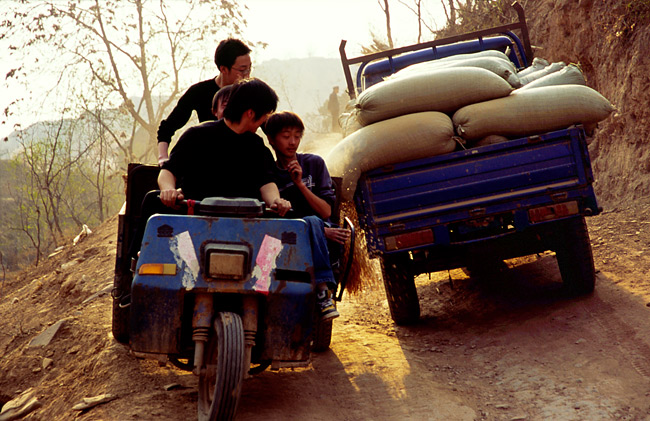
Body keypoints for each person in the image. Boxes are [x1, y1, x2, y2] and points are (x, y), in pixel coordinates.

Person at [128, 78, 289, 263]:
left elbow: (266, 182)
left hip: (244, 228)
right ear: (251, 113)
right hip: (192, 224)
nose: (264, 122)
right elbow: (168, 172)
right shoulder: (196, 135)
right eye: (264, 116)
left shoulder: (257, 146)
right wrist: (168, 190)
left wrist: (276, 201)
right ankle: (135, 266)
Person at [262, 111, 351, 320]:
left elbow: (326, 212)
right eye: (286, 136)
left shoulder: (313, 164)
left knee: (312, 220)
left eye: (297, 136)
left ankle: (322, 291)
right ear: (271, 140)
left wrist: (300, 184)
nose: (292, 142)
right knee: (309, 223)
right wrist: (321, 231)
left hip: (321, 236)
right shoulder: (268, 174)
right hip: (284, 235)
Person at [156, 38, 252, 165]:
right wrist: (163, 158)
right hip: (206, 162)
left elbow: (271, 127)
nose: (247, 75)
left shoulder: (251, 93)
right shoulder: (199, 92)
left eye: (249, 69)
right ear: (223, 69)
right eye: (242, 70)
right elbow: (168, 127)